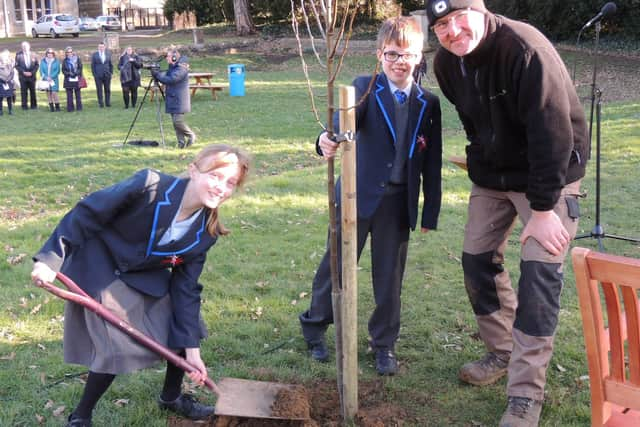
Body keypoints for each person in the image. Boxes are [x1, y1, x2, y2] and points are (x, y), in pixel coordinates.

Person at [426, 1, 589, 425]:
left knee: (539, 274)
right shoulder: (446, 64)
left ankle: (525, 395)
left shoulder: (523, 49)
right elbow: (473, 120)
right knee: (476, 260)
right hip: (494, 178)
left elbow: (553, 132)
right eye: (441, 24)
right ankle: (502, 352)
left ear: (480, 11)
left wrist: (542, 211)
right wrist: (482, 160)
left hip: (549, 175)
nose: (453, 30)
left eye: (459, 17)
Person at [31, 144, 250, 427]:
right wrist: (50, 260)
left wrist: (192, 351)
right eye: (215, 176)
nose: (221, 187)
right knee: (115, 347)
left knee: (186, 324)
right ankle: (81, 416)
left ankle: (171, 397)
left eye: (230, 183)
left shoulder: (205, 233)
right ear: (193, 171)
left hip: (144, 274)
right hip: (101, 266)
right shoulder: (149, 186)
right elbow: (87, 213)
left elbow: (185, 289)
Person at [298, 16, 442, 376]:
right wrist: (324, 140)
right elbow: (341, 125)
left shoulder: (428, 102)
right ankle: (315, 329)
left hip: (397, 204)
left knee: (389, 277)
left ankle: (383, 345)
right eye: (392, 54)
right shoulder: (364, 88)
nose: (399, 62)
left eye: (407, 55)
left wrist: (430, 213)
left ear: (420, 57)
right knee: (336, 266)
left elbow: (432, 161)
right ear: (379, 55)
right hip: (355, 196)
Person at [151, 49, 196, 149]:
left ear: (174, 57)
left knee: (177, 121)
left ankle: (191, 135)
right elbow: (167, 76)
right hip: (172, 97)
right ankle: (181, 142)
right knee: (175, 122)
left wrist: (157, 75)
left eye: (168, 56)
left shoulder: (181, 68)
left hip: (179, 99)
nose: (167, 58)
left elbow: (171, 79)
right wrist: (157, 73)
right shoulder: (173, 66)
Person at [15, 41, 38, 110]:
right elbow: (17, 66)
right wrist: (23, 72)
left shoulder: (34, 54)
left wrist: (32, 72)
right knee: (23, 92)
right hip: (23, 77)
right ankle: (24, 106)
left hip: (32, 76)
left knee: (32, 91)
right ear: (22, 47)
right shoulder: (18, 55)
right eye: (23, 47)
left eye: (26, 46)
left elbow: (37, 65)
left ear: (29, 46)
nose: (25, 48)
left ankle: (33, 106)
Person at [90, 42, 113, 108]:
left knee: (107, 89)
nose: (101, 48)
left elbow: (110, 64)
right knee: (99, 89)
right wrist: (94, 74)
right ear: (98, 47)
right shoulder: (95, 55)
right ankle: (101, 103)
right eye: (100, 47)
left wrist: (111, 72)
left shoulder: (108, 54)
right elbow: (92, 65)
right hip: (98, 75)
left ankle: (107, 102)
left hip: (107, 74)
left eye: (102, 47)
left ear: (105, 47)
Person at [61, 46, 83, 112]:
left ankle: (79, 108)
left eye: (70, 52)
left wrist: (76, 73)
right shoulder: (64, 61)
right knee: (69, 94)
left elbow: (80, 67)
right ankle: (70, 108)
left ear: (72, 52)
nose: (69, 53)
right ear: (66, 53)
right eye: (68, 52)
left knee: (78, 94)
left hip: (76, 78)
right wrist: (69, 74)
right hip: (68, 78)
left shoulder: (77, 59)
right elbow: (63, 70)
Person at [39, 48, 61, 112]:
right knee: (48, 93)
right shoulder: (43, 61)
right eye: (48, 53)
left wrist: (51, 77)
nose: (50, 54)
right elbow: (41, 70)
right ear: (46, 54)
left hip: (53, 80)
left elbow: (58, 71)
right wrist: (46, 77)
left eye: (51, 53)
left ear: (53, 54)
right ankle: (51, 107)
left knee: (54, 93)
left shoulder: (56, 61)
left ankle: (57, 107)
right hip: (45, 80)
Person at [0, 49, 15, 115]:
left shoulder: (9, 65)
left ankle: (10, 110)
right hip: (1, 83)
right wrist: (3, 80)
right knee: (0, 97)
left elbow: (12, 73)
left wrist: (8, 79)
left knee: (9, 97)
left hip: (8, 83)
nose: (4, 58)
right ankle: (0, 111)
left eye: (6, 57)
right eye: (3, 57)